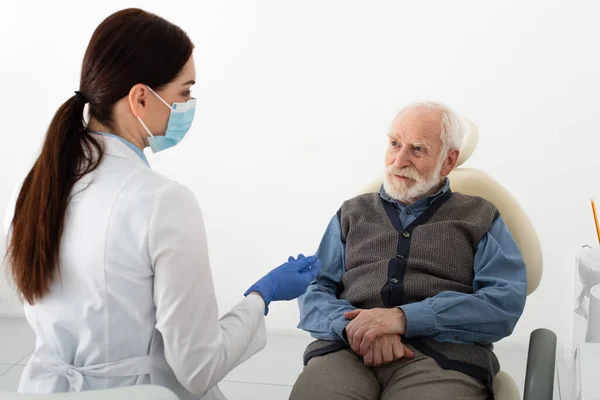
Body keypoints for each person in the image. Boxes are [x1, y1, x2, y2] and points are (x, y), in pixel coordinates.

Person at [3, 8, 320, 400]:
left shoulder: (41, 185)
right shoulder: (162, 201)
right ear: (140, 97)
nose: (189, 104)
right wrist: (263, 296)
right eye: (184, 92)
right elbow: (198, 367)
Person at [291, 102, 527, 400]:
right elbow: (313, 290)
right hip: (348, 351)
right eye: (394, 144)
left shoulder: (479, 216)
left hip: (443, 358)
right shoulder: (353, 212)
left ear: (448, 161)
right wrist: (360, 329)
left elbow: (502, 305)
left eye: (417, 149)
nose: (399, 160)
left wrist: (404, 318)